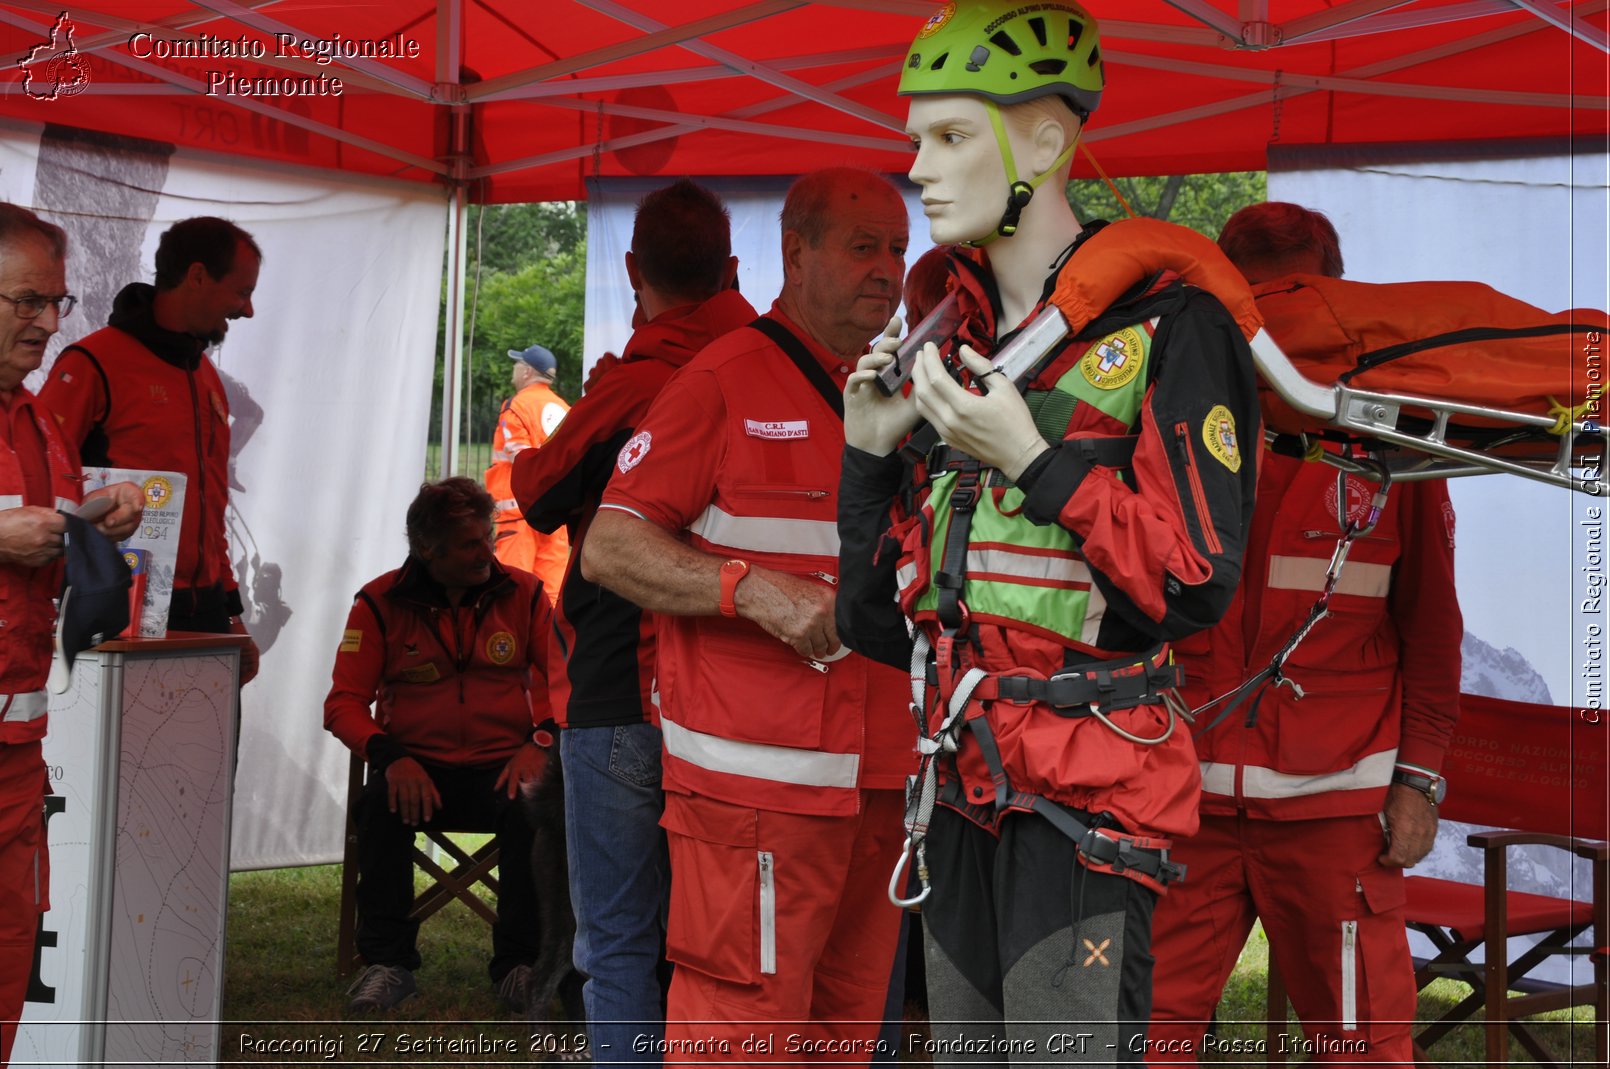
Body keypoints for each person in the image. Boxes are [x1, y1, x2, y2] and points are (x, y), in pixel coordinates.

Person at [835, 1, 1263, 1060]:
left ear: (1042, 140)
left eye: (949, 136)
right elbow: (874, 622)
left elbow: (1191, 587)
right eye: (915, 139)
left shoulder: (1172, 328)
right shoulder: (954, 342)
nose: (919, 168)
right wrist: (863, 452)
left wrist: (1030, 456)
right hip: (959, 785)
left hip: (1086, 809)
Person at [582, 166, 914, 1059]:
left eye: (896, 247)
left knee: (849, 1035)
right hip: (753, 801)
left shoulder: (908, 395)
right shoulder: (721, 377)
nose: (886, 268)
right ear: (793, 253)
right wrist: (751, 591)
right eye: (861, 246)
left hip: (881, 786)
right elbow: (609, 546)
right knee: (741, 1037)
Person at [1146, 202, 1463, 1067]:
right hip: (1184, 804)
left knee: (1363, 1049)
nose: (1279, 317)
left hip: (1338, 816)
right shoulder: (1172, 427)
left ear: (1337, 293)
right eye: (1260, 297)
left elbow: (1432, 629)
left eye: (1300, 291)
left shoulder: (1395, 440)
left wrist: (1420, 780)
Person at [513, 179, 754, 1062]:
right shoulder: (772, 366)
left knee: (616, 942)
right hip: (738, 698)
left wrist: (600, 398)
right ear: (734, 268)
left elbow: (536, 493)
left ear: (630, 271)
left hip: (616, 687)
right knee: (730, 947)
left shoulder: (640, 382)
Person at [322, 477, 555, 1014]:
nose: (487, 553)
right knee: (378, 808)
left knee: (538, 808)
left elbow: (568, 682)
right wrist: (390, 757)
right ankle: (388, 965)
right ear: (428, 549)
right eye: (472, 544)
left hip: (503, 767)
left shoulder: (526, 594)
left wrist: (540, 741)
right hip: (415, 772)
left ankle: (520, 966)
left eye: (488, 538)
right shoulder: (378, 602)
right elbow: (343, 704)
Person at [0, 202, 142, 1067]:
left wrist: (95, 522)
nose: (50, 323)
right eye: (25, 301)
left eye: (57, 301)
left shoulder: (39, 417)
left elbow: (40, 540)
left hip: (18, 751)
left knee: (11, 959)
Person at [40, 216, 262, 682]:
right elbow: (40, 487)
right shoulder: (92, 363)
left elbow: (211, 505)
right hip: (119, 609)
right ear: (197, 276)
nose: (248, 310)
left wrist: (229, 610)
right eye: (241, 292)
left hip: (201, 611)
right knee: (122, 755)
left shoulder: (203, 375)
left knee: (207, 755)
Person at [485, 344, 570, 601]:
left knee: (512, 589)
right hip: (555, 516)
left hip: (518, 514)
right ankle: (549, 641)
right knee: (551, 591)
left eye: (517, 363)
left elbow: (520, 457)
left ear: (527, 372)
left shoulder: (516, 406)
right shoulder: (565, 408)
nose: (514, 368)